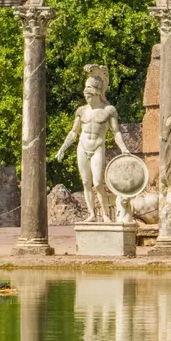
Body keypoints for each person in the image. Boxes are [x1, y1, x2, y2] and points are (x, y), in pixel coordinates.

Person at [55, 64, 129, 223]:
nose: (87, 97)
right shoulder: (81, 110)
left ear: (97, 93)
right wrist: (62, 148)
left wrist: (123, 148)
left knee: (98, 182)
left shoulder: (109, 110)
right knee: (86, 182)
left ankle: (105, 215)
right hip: (82, 147)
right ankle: (91, 214)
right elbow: (73, 132)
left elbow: (116, 132)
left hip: (97, 146)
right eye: (86, 95)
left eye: (89, 95)